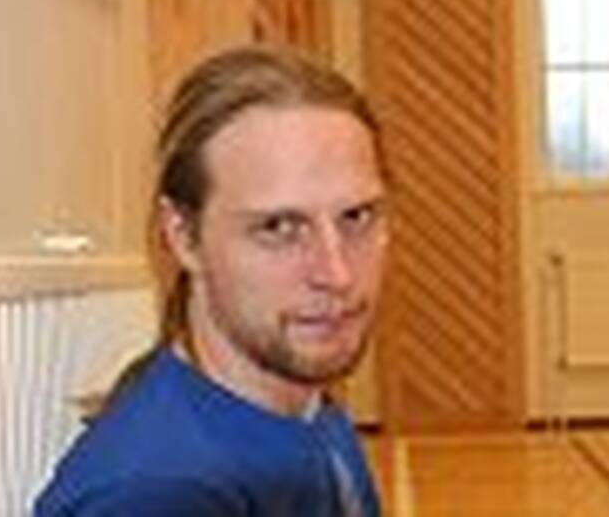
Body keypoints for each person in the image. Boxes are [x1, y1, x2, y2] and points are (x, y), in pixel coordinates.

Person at [34, 45, 389, 516]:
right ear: (183, 237)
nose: (337, 274)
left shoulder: (306, 407)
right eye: (278, 227)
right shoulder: (158, 493)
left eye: (356, 216)